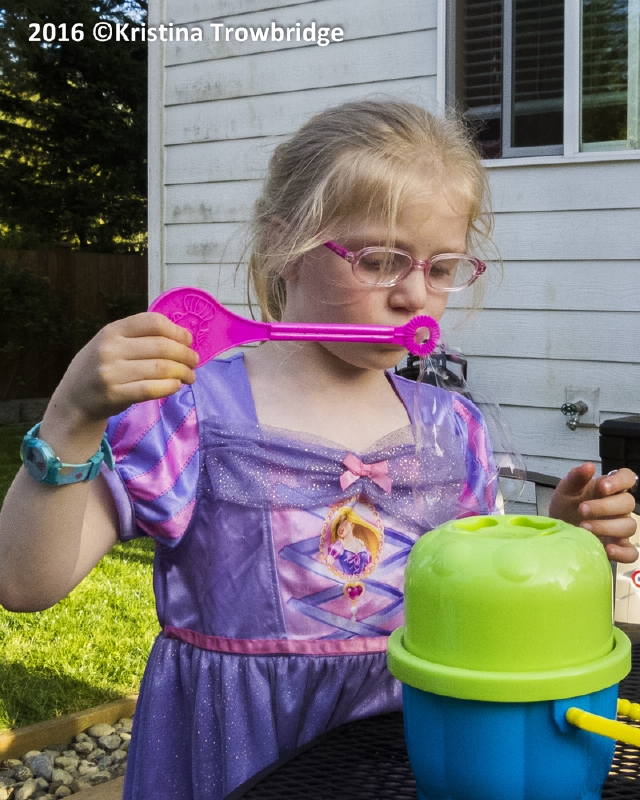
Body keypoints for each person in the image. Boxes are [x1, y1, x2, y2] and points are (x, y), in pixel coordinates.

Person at [0, 100, 636, 800]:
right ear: (285, 247)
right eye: (380, 260)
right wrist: (72, 418)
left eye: (442, 268)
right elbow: (25, 585)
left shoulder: (453, 428)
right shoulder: (189, 413)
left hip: (405, 753)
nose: (413, 296)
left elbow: (477, 605)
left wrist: (563, 543)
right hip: (236, 755)